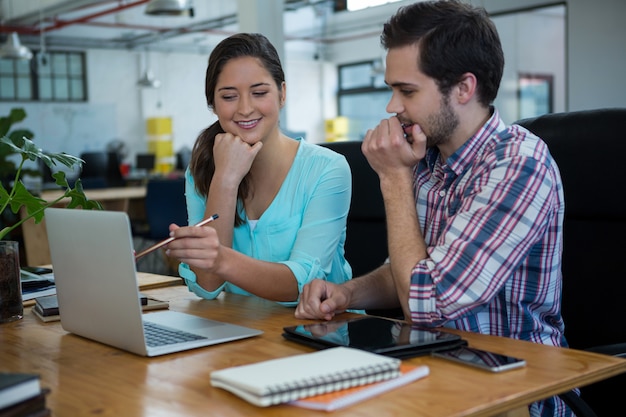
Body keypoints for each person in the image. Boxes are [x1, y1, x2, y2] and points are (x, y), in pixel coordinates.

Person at [295, 1, 571, 416]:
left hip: (515, 390)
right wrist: (347, 294)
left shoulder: (518, 164)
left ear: (463, 88)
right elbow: (407, 272)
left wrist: (393, 179)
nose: (392, 106)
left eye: (406, 90)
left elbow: (427, 304)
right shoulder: (428, 160)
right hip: (435, 372)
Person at [165, 33, 352, 306]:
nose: (245, 108)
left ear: (282, 93)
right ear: (213, 105)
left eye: (259, 93)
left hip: (319, 333)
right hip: (241, 332)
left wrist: (219, 258)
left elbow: (302, 286)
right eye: (229, 96)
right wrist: (226, 180)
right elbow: (207, 286)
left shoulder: (327, 169)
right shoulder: (202, 171)